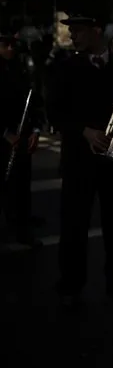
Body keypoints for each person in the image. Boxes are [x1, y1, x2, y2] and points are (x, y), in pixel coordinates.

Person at [47, 13, 113, 306]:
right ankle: (71, 285)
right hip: (79, 159)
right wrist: (84, 131)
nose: (72, 36)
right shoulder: (64, 67)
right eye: (71, 31)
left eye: (78, 31)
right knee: (74, 225)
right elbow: (54, 112)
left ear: (96, 31)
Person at [0, 33, 44, 248]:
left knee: (22, 183)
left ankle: (22, 227)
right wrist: (5, 134)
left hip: (22, 134)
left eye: (12, 44)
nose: (10, 48)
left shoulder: (20, 69)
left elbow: (34, 101)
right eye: (5, 45)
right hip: (5, 137)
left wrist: (35, 129)